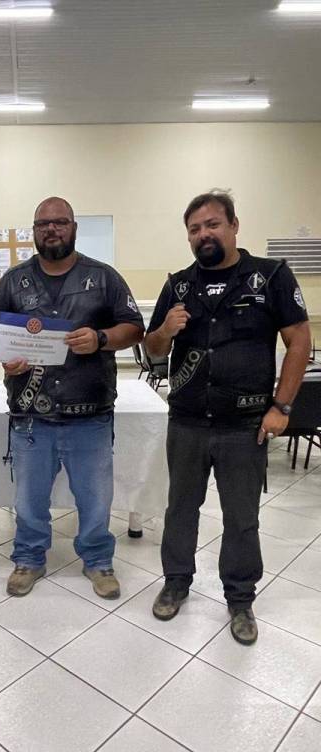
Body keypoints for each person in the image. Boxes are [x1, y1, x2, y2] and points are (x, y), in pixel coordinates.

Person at [145, 190, 311, 645]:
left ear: (234, 226)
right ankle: (176, 581)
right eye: (195, 229)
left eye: (213, 224)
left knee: (241, 517)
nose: (204, 234)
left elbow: (299, 341)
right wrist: (164, 331)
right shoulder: (178, 285)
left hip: (245, 425)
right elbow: (153, 348)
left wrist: (281, 407)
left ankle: (240, 598)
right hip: (187, 421)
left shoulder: (269, 276)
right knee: (180, 509)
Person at [0, 197, 144, 600]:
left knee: (95, 499)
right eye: (43, 224)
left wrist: (101, 338)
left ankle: (98, 561)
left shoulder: (103, 278)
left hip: (88, 412)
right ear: (34, 231)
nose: (51, 229)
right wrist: (6, 355)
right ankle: (29, 558)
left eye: (59, 222)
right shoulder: (14, 281)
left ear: (74, 228)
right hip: (30, 414)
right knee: (28, 499)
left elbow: (134, 327)